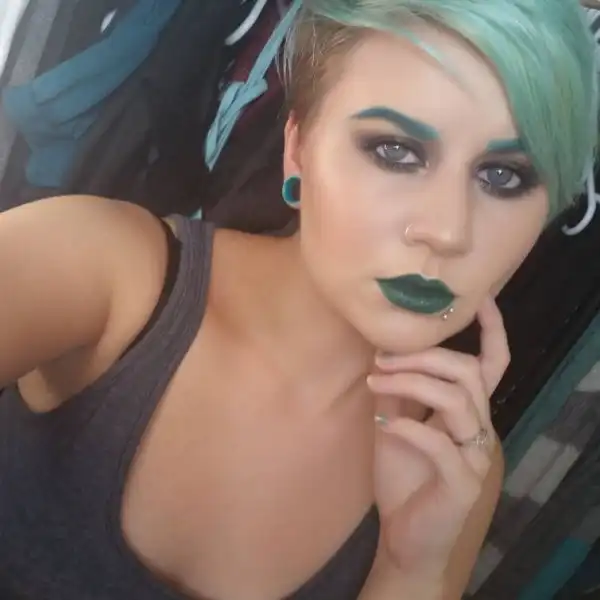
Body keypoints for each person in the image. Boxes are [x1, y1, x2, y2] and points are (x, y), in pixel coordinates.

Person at [0, 1, 597, 599]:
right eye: (394, 151)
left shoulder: (454, 461)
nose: (447, 230)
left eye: (503, 176)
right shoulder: (98, 266)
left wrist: (410, 568)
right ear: (298, 150)